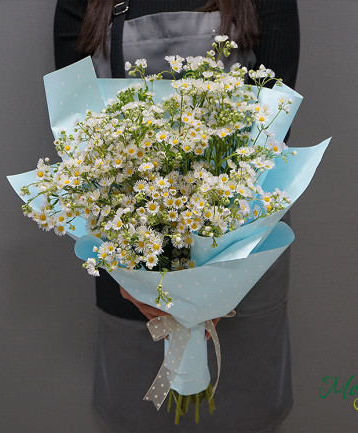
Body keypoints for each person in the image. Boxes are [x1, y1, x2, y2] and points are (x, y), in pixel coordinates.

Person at [54, 1, 300, 432]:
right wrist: (139, 276)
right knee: (145, 418)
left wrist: (216, 280)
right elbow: (79, 136)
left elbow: (272, 127)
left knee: (240, 415)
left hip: (243, 259)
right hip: (133, 272)